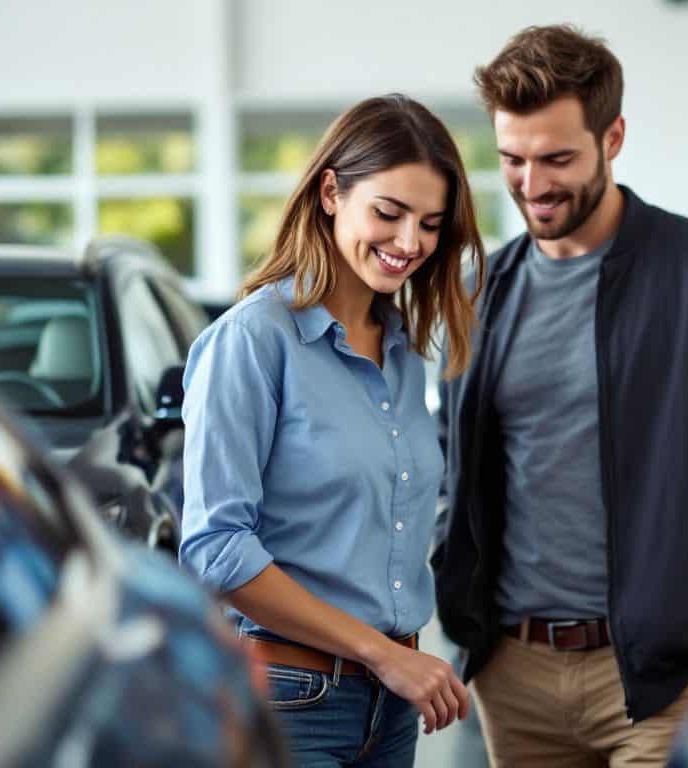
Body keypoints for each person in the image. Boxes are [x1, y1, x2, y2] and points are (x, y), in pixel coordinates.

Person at [432, 25, 688, 767]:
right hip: (513, 673)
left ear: (613, 138)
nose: (533, 184)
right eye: (512, 159)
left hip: (662, 674)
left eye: (558, 159)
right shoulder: (478, 290)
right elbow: (453, 461)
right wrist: (453, 579)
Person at [180, 94, 484, 768]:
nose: (410, 243)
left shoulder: (403, 351)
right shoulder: (253, 341)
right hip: (292, 701)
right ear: (329, 192)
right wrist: (380, 652)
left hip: (394, 705)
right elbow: (216, 548)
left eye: (431, 224)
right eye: (389, 212)